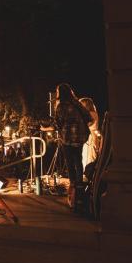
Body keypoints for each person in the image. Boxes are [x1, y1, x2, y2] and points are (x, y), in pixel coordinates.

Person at [54, 83, 93, 211]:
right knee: (78, 160)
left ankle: (73, 185)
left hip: (67, 138)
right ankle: (80, 185)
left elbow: (58, 124)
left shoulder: (61, 106)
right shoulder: (77, 103)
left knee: (69, 162)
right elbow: (89, 118)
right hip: (80, 137)